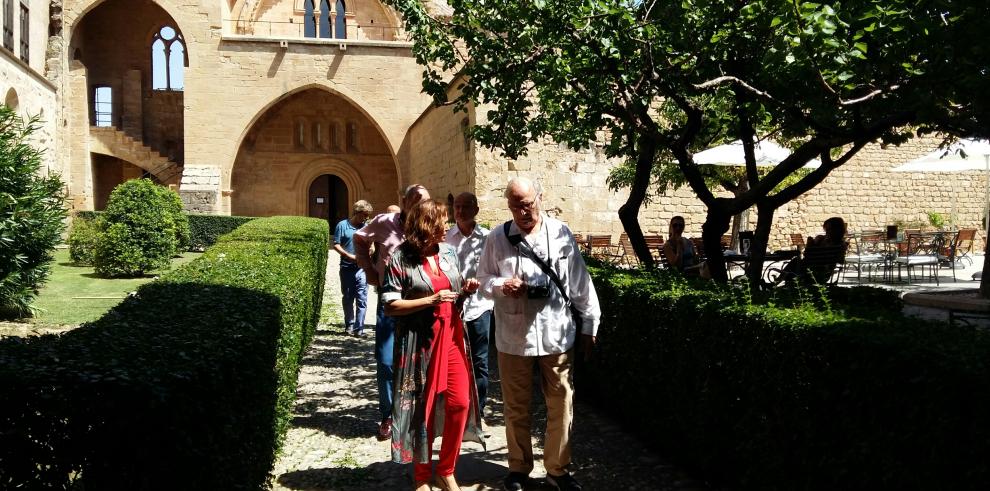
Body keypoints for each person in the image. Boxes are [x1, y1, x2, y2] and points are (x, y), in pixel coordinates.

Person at [477, 177, 601, 491]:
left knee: (561, 403)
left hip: (557, 334)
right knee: (515, 406)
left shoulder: (560, 233)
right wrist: (501, 286)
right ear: (508, 206)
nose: (522, 211)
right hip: (513, 337)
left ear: (540, 198)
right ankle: (518, 470)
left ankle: (557, 470)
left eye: (527, 203)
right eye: (515, 205)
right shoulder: (497, 238)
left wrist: (590, 325)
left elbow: (579, 283)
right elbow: (482, 279)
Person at [381, 199, 485, 491]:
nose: (447, 227)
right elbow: (390, 305)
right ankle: (422, 476)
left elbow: (453, 295)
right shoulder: (400, 258)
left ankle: (447, 469)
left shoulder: (450, 252)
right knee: (421, 411)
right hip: (419, 344)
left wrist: (465, 291)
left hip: (451, 339)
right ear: (427, 226)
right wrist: (430, 300)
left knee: (459, 404)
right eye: (441, 222)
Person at [355, 184, 431, 441]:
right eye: (416, 200)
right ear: (404, 200)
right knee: (387, 361)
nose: (421, 206)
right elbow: (360, 239)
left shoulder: (427, 224)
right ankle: (388, 415)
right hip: (390, 301)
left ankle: (416, 414)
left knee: (421, 361)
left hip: (422, 303)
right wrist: (368, 270)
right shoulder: (384, 222)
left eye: (425, 202)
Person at [445, 192, 494, 414]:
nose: (460, 211)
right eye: (457, 206)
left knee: (480, 360)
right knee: (453, 358)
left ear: (476, 209)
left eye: (466, 207)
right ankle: (457, 405)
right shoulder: (446, 238)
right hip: (452, 306)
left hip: (480, 307)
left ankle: (478, 408)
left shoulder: (488, 238)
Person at [333, 200, 373, 336]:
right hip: (347, 267)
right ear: (356, 213)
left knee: (362, 298)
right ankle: (349, 324)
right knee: (348, 297)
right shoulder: (342, 225)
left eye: (367, 215)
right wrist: (348, 255)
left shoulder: (366, 227)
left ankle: (359, 328)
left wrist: (370, 251)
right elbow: (336, 244)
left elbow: (371, 245)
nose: (366, 218)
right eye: (364, 215)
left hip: (362, 268)